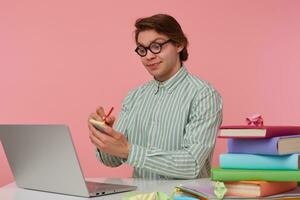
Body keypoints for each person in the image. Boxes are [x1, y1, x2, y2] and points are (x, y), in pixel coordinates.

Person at [88, 14, 223, 179]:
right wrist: (106, 138)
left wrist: (129, 150)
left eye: (157, 46)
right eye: (142, 50)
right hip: (141, 196)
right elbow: (113, 160)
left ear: (179, 44)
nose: (148, 56)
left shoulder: (203, 95)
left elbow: (191, 164)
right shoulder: (134, 96)